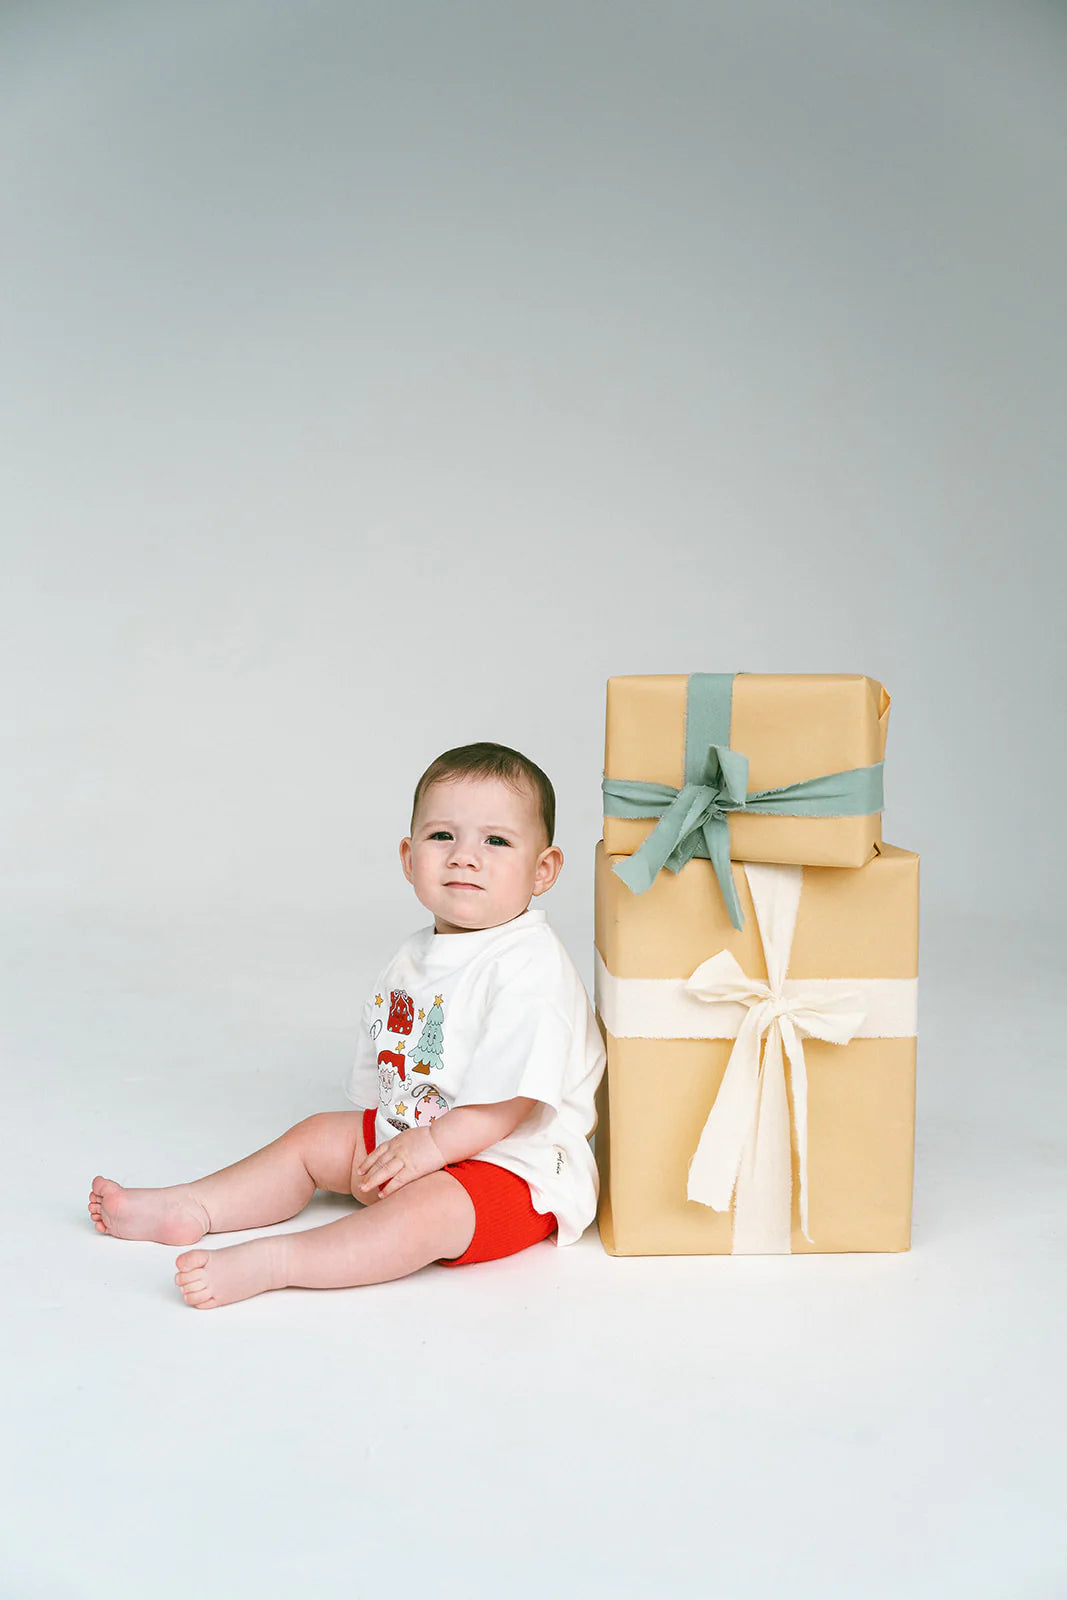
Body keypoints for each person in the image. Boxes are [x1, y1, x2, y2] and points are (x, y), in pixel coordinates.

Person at [88, 743, 606, 1310]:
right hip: (420, 1133)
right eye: (442, 837)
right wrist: (391, 1141)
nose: (464, 857)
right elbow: (391, 1070)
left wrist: (427, 1149)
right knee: (315, 1136)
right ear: (409, 858)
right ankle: (194, 1205)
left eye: (496, 841)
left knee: (426, 1213)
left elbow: (506, 1107)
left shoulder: (530, 966)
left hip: (515, 1167)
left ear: (544, 870)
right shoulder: (412, 956)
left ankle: (280, 1260)